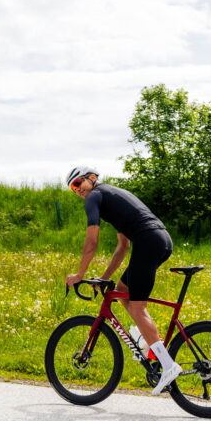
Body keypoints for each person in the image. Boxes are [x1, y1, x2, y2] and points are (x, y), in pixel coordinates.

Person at [63, 166, 181, 395]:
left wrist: (79, 275)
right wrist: (103, 278)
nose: (77, 190)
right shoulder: (110, 198)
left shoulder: (95, 197)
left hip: (148, 241)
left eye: (78, 183)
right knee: (123, 289)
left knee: (138, 306)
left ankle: (168, 366)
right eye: (72, 188)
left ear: (92, 178)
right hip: (160, 240)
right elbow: (122, 247)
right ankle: (144, 338)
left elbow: (91, 241)